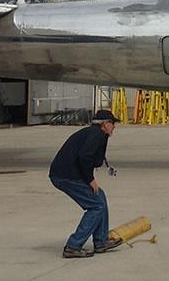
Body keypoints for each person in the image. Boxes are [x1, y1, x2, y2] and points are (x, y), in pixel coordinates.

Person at [49, 109, 123, 258]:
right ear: (105, 124)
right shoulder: (96, 135)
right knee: (96, 205)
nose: (114, 127)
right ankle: (73, 246)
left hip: (67, 173)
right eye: (112, 123)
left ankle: (101, 242)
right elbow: (84, 157)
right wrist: (90, 180)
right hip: (65, 175)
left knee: (99, 197)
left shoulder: (95, 133)